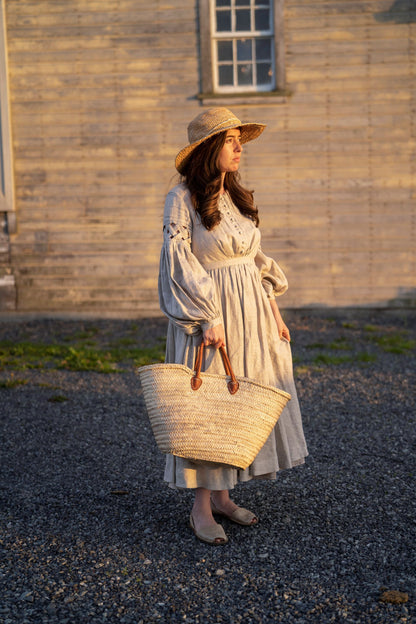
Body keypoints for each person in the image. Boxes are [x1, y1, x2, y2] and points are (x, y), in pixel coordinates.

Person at [158, 107, 308, 545]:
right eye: (230, 140)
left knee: (237, 407)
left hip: (253, 315)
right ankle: (200, 508)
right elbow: (178, 262)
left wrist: (275, 314)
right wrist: (207, 316)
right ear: (208, 149)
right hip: (215, 317)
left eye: (240, 138)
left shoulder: (236, 197)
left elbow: (255, 261)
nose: (240, 147)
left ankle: (223, 496)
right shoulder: (181, 199)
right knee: (208, 410)